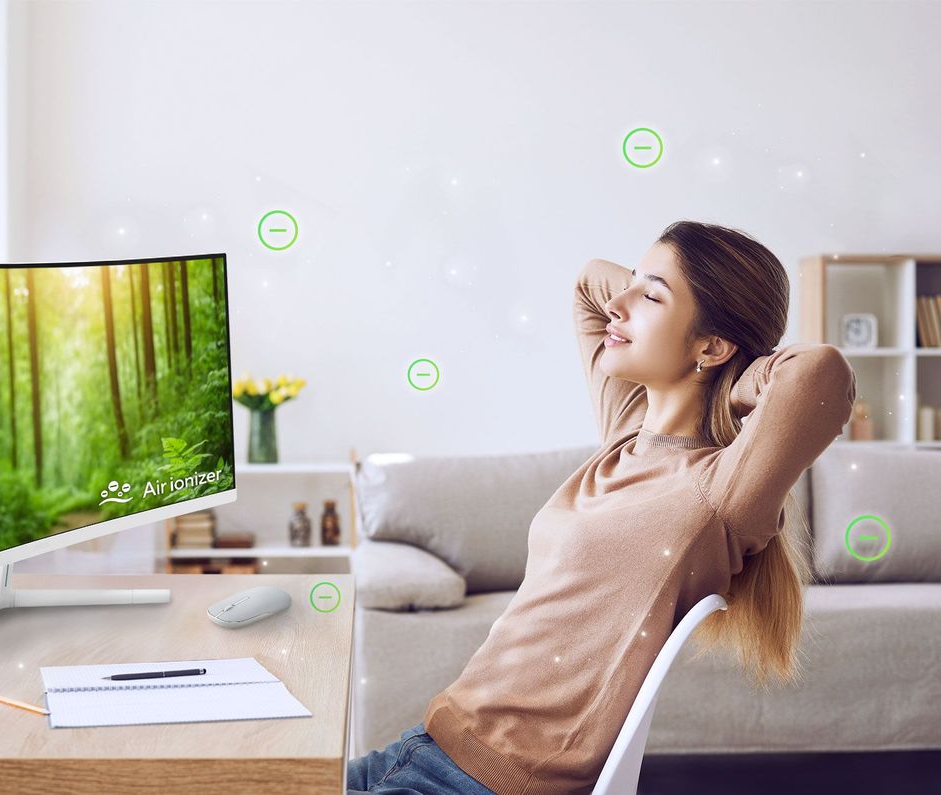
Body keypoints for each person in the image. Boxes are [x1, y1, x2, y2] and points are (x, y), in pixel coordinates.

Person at [346, 220, 856, 795]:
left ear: (711, 346)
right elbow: (590, 282)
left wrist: (736, 380)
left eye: (651, 296)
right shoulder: (625, 434)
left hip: (489, 785)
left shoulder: (717, 493)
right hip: (421, 747)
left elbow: (821, 373)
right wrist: (656, 289)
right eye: (632, 283)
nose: (618, 304)